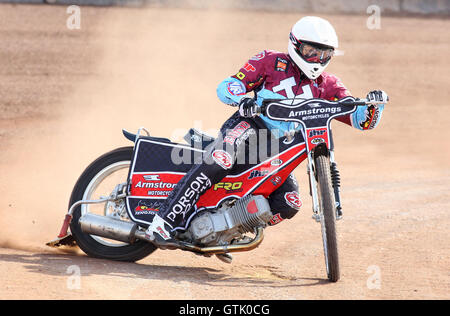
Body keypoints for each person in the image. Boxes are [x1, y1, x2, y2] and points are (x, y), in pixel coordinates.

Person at [144, 16, 389, 247]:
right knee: (220, 158)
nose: (317, 58)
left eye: (324, 53)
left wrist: (373, 106)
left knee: (288, 204)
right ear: (296, 45)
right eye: (311, 51)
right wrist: (241, 99)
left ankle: (224, 231)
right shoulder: (270, 61)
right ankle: (163, 222)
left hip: (281, 148)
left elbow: (360, 120)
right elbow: (228, 86)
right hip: (249, 127)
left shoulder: (329, 84)